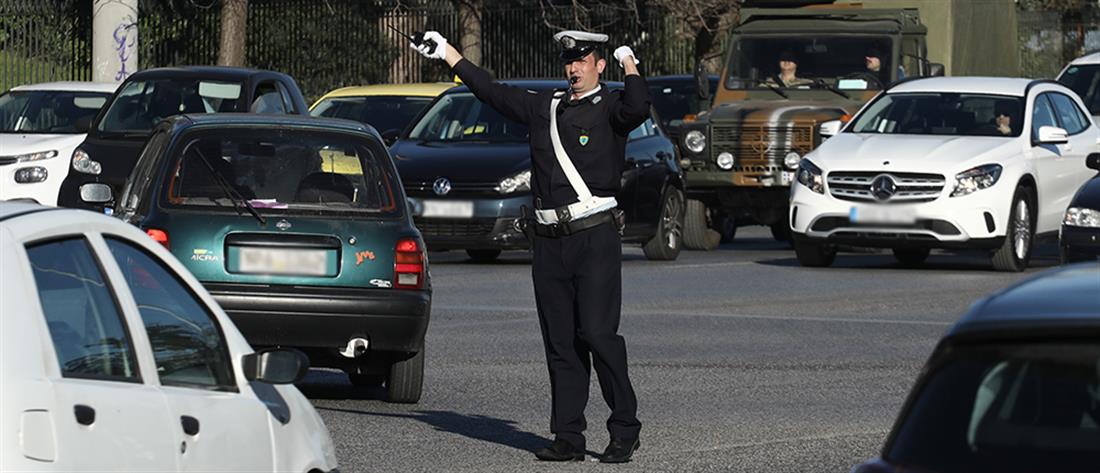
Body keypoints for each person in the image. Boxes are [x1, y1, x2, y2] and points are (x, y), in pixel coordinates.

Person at [411, 30, 647, 464]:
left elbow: (638, 107)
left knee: (596, 333)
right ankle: (569, 436)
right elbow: (493, 93)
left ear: (599, 65)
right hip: (549, 241)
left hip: (594, 236)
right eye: (569, 62)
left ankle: (625, 427)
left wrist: (629, 60)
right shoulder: (547, 107)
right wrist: (448, 54)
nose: (574, 69)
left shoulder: (612, 106)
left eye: (583, 61)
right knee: (560, 342)